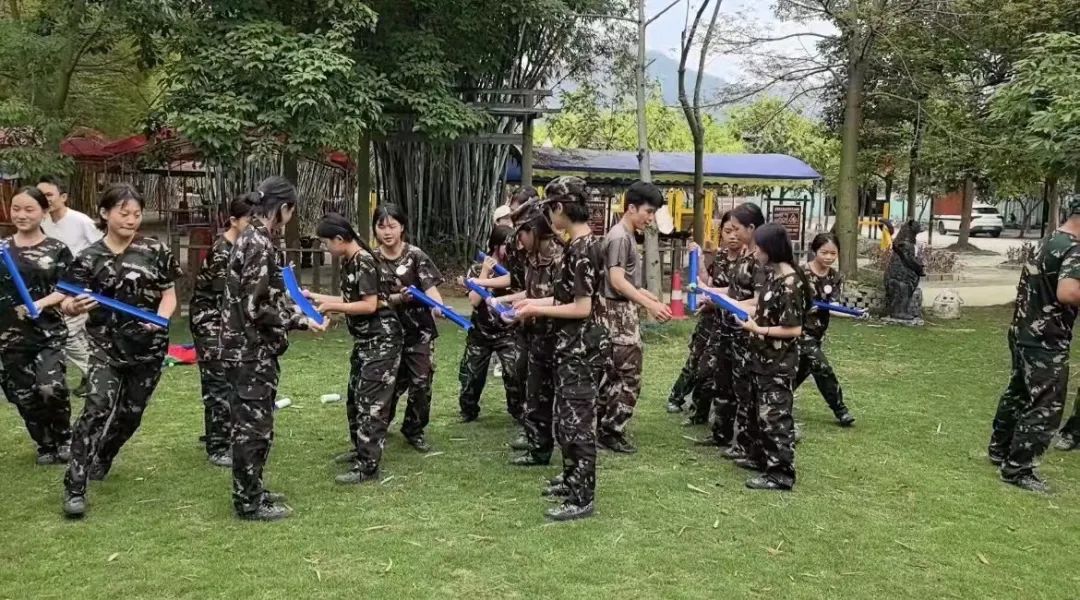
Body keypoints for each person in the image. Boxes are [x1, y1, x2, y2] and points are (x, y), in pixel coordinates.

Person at [61, 183, 181, 518]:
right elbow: (67, 300)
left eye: (136, 214)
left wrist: (160, 319)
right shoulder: (88, 257)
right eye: (123, 213)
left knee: (130, 415)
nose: (131, 220)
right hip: (105, 348)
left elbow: (169, 294)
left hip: (148, 348)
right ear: (105, 213)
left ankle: (104, 456)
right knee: (97, 407)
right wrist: (73, 306)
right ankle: (75, 487)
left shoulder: (155, 250)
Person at [219, 177, 325, 521]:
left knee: (256, 425)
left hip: (251, 348)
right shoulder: (258, 243)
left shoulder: (255, 238)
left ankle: (253, 489)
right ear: (284, 208)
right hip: (248, 351)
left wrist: (296, 302)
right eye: (292, 210)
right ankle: (248, 502)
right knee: (252, 429)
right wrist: (300, 320)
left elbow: (266, 292)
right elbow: (256, 306)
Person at [514, 176, 608, 521]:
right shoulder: (579, 246)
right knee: (566, 419)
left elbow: (581, 308)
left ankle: (582, 497)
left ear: (558, 208)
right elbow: (565, 297)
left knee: (577, 423)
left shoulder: (583, 251)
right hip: (570, 346)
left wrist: (539, 310)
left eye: (550, 209)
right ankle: (571, 481)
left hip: (581, 348)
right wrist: (532, 303)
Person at [988, 196, 1080, 493]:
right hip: (1046, 339)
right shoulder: (1075, 249)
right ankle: (1018, 468)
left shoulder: (1050, 240)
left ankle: (999, 449)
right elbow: (1068, 292)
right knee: (1046, 404)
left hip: (1022, 330)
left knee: (1018, 391)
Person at [306, 214, 402, 484]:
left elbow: (369, 305)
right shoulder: (351, 261)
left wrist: (332, 307)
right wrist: (315, 297)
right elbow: (350, 298)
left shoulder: (364, 261)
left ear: (339, 239)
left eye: (327, 243)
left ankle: (368, 467)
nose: (327, 248)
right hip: (364, 342)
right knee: (355, 399)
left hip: (381, 342)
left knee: (370, 403)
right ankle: (360, 450)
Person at [0, 187, 73, 465]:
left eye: (29, 209)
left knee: (50, 387)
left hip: (47, 333)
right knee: (23, 395)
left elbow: (68, 288)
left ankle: (64, 437)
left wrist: (41, 303)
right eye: (16, 208)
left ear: (44, 212)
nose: (21, 215)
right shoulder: (3, 249)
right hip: (9, 336)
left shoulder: (57, 249)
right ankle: (45, 443)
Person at [734, 222, 810, 491]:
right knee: (759, 413)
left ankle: (780, 474)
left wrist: (759, 330)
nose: (755, 253)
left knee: (775, 417)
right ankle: (759, 458)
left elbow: (794, 329)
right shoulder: (772, 277)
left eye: (759, 248)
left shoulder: (791, 284)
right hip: (761, 358)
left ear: (771, 249)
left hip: (778, 362)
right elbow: (765, 310)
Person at [597, 181, 672, 454]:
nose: (650, 219)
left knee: (614, 374)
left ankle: (604, 426)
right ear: (631, 208)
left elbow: (626, 282)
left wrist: (649, 298)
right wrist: (648, 305)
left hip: (619, 312)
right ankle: (611, 429)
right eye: (648, 212)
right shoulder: (620, 237)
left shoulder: (626, 235)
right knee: (628, 376)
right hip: (616, 315)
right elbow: (617, 281)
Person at [372, 204, 446, 453]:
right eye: (381, 226)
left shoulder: (415, 255)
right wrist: (398, 299)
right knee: (385, 387)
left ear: (402, 227)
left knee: (421, 383)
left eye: (392, 226)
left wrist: (438, 306)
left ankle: (414, 429)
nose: (387, 232)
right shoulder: (372, 259)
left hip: (419, 332)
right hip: (386, 334)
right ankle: (376, 431)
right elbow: (372, 298)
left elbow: (430, 288)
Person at [189, 198, 252, 468]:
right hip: (210, 323)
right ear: (234, 221)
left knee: (232, 381)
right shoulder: (223, 252)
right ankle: (217, 446)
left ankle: (225, 433)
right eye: (248, 220)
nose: (253, 227)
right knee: (217, 385)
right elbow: (231, 296)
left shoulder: (242, 247)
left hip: (228, 323)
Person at [499, 200, 563, 466]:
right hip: (534, 333)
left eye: (522, 234)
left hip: (557, 336)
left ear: (535, 231)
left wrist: (530, 306)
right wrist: (507, 304)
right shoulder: (532, 257)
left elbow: (564, 299)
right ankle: (537, 446)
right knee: (535, 391)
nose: (519, 241)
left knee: (558, 395)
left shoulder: (560, 257)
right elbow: (533, 291)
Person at [37, 175, 102, 397]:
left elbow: (103, 247)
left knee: (69, 334)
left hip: (81, 288)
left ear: (63, 197)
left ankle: (95, 375)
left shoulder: (81, 221)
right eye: (41, 195)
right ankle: (92, 374)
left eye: (49, 195)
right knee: (77, 335)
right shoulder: (43, 222)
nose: (45, 199)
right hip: (56, 289)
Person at [458, 225, 525, 424]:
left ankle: (518, 410)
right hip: (481, 331)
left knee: (514, 372)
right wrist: (485, 272)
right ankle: (468, 410)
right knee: (472, 376)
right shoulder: (477, 268)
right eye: (507, 245)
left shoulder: (517, 268)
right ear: (496, 245)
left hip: (508, 331)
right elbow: (474, 301)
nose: (512, 249)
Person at [688, 212, 743, 444]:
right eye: (727, 231)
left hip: (741, 326)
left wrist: (708, 292)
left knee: (735, 380)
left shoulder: (748, 260)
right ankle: (709, 422)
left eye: (736, 231)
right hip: (717, 324)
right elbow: (708, 283)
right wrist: (699, 260)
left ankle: (736, 431)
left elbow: (734, 292)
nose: (732, 236)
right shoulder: (720, 257)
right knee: (705, 371)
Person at [718, 203, 766, 463]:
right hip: (733, 330)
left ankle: (747, 444)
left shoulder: (760, 260)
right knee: (732, 386)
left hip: (749, 332)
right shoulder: (745, 256)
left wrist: (731, 304)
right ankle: (731, 437)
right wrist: (711, 293)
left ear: (752, 228)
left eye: (737, 228)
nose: (733, 234)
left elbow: (759, 301)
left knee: (747, 391)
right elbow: (734, 291)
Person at [796, 233, 856, 427]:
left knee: (801, 371)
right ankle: (841, 410)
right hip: (798, 331)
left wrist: (853, 314)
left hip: (818, 333)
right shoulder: (800, 272)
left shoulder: (834, 277)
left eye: (833, 253)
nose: (829, 257)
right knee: (822, 367)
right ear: (815, 251)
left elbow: (834, 306)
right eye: (824, 252)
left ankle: (772, 401)